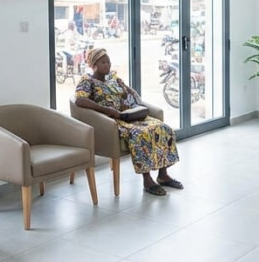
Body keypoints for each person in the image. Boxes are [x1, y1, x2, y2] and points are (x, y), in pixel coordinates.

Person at [74, 48, 183, 196]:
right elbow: (80, 100)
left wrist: (136, 103)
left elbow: (131, 93)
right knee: (141, 134)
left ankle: (163, 175)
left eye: (109, 62)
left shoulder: (113, 78)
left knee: (163, 128)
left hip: (131, 115)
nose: (108, 65)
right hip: (114, 120)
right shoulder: (87, 81)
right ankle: (147, 180)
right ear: (94, 65)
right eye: (103, 62)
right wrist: (108, 110)